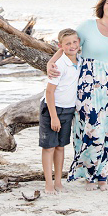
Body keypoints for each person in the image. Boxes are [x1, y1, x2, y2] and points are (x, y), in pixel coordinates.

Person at [47, 0, 108, 189]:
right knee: (91, 130)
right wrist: (51, 62)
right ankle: (89, 175)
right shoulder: (88, 26)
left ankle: (102, 176)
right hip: (88, 85)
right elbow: (67, 45)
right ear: (103, 5)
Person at [39, 28, 80, 196]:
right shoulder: (58, 65)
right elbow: (49, 92)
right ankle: (48, 183)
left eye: (75, 42)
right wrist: (54, 117)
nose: (72, 46)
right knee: (49, 147)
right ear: (60, 46)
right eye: (67, 43)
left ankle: (58, 181)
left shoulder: (80, 60)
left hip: (68, 110)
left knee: (61, 147)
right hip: (52, 110)